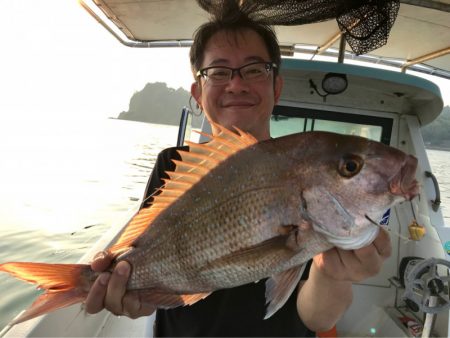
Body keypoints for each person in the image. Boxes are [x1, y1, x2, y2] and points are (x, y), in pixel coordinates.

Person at [84, 10, 392, 337]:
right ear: (198, 93)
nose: (236, 84)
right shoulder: (173, 164)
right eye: (218, 71)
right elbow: (148, 275)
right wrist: (133, 292)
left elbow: (317, 319)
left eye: (255, 68)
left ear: (277, 87)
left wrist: (332, 275)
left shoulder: (309, 177)